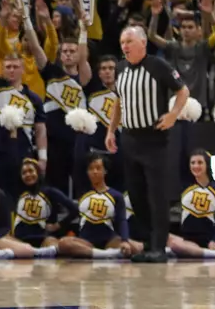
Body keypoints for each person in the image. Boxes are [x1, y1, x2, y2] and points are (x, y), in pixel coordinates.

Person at [107, 25, 190, 262]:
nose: (124, 46)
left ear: (143, 43)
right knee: (136, 194)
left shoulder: (158, 66)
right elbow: (119, 102)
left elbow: (183, 90)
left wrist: (173, 114)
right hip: (130, 138)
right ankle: (146, 244)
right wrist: (111, 130)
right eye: (122, 42)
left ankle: (159, 248)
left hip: (154, 138)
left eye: (129, 41)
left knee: (156, 194)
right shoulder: (121, 68)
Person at [54, 155, 138, 259]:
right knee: (63, 243)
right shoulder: (83, 193)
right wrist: (60, 224)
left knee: (135, 247)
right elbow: (74, 211)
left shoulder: (116, 195)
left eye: (98, 168)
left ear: (105, 171)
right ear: (87, 172)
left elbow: (121, 220)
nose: (94, 172)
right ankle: (105, 254)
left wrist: (124, 241)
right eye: (91, 169)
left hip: (109, 240)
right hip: (86, 241)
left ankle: (99, 252)